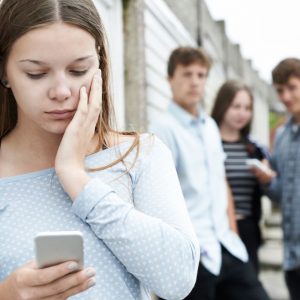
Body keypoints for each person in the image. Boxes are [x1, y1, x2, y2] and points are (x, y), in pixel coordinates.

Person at [0, 1, 200, 299]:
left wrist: (75, 177)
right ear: (4, 72)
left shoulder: (139, 155)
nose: (61, 91)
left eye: (78, 70)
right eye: (36, 74)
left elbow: (178, 279)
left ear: (100, 67)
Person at [150, 47, 270, 300]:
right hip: (192, 253)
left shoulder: (211, 127)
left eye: (201, 75)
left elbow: (220, 181)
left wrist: (233, 231)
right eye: (187, 74)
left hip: (226, 244)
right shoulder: (161, 130)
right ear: (170, 79)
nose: (194, 81)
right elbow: (157, 197)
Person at [211, 80, 273, 273]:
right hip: (215, 230)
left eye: (247, 108)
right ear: (223, 105)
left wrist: (267, 178)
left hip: (247, 229)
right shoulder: (208, 143)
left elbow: (270, 189)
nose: (242, 113)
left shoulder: (255, 149)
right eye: (236, 106)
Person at [255, 58, 300, 300]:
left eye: (292, 88)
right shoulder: (281, 137)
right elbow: (282, 194)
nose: (285, 97)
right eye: (280, 91)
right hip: (292, 257)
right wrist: (266, 179)